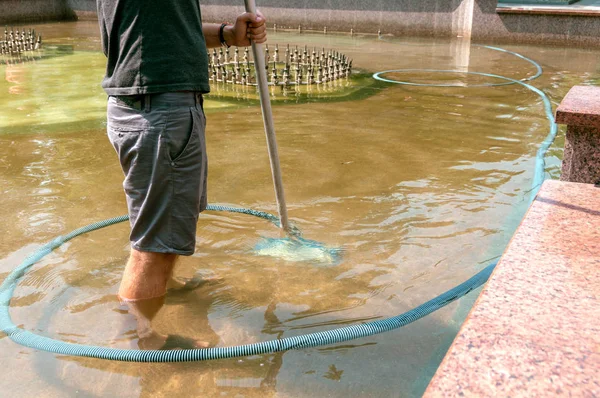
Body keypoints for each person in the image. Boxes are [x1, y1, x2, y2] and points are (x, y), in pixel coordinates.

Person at [97, 0, 267, 349]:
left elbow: (168, 35)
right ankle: (141, 340)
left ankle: (167, 292)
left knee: (164, 235)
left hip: (153, 109)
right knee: (152, 249)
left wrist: (226, 36)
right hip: (159, 113)